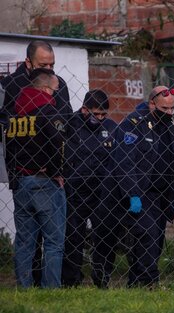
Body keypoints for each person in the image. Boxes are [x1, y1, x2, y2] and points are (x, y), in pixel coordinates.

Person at [92, 85, 174, 288]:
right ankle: (147, 282)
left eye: (172, 109)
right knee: (145, 235)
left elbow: (172, 159)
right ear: (152, 104)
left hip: (159, 194)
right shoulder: (133, 124)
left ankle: (136, 283)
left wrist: (172, 194)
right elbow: (124, 162)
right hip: (137, 192)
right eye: (165, 109)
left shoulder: (167, 125)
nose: (169, 113)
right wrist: (133, 193)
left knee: (156, 239)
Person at [1, 40, 72, 286]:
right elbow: (58, 140)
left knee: (25, 239)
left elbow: (10, 138)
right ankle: (50, 289)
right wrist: (56, 171)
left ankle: (25, 287)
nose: (51, 70)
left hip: (23, 175)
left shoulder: (55, 86)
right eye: (45, 65)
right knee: (53, 240)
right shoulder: (10, 87)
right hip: (41, 178)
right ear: (28, 62)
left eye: (53, 64)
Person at [61, 90, 117, 287]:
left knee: (104, 235)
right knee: (73, 236)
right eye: (96, 114)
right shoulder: (70, 125)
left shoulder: (111, 128)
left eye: (103, 114)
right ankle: (71, 281)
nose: (100, 118)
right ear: (85, 109)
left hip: (102, 192)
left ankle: (101, 277)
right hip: (75, 191)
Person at [1, 40, 72, 117]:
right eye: (43, 65)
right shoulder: (8, 85)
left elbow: (69, 116)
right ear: (28, 63)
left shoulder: (60, 83)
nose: (48, 70)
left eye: (51, 65)